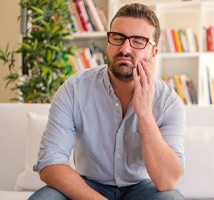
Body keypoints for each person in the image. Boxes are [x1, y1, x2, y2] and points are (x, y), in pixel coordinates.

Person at [29, 3, 186, 200]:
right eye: (118, 38)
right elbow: (50, 163)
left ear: (153, 53)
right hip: (88, 186)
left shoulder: (169, 102)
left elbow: (167, 181)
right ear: (108, 41)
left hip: (141, 188)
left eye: (138, 41)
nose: (125, 48)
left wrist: (144, 112)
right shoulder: (74, 89)